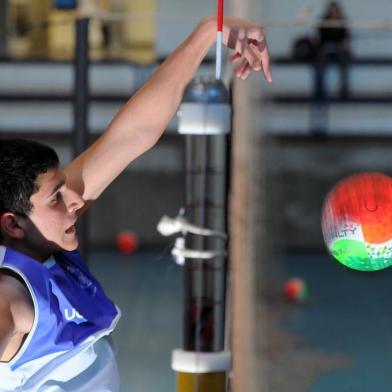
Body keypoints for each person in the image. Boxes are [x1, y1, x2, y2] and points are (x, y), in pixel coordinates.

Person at [0, 15, 271, 391]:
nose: (77, 199)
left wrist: (211, 31)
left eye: (66, 187)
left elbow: (131, 135)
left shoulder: (39, 240)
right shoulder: (9, 297)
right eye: (57, 197)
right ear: (12, 224)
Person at [314, 1, 351, 100]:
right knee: (319, 61)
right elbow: (320, 37)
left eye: (335, 10)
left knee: (344, 61)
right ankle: (319, 90)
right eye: (332, 10)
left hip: (338, 49)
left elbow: (345, 37)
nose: (333, 12)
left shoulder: (342, 21)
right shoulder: (324, 21)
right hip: (326, 48)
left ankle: (344, 90)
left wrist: (344, 44)